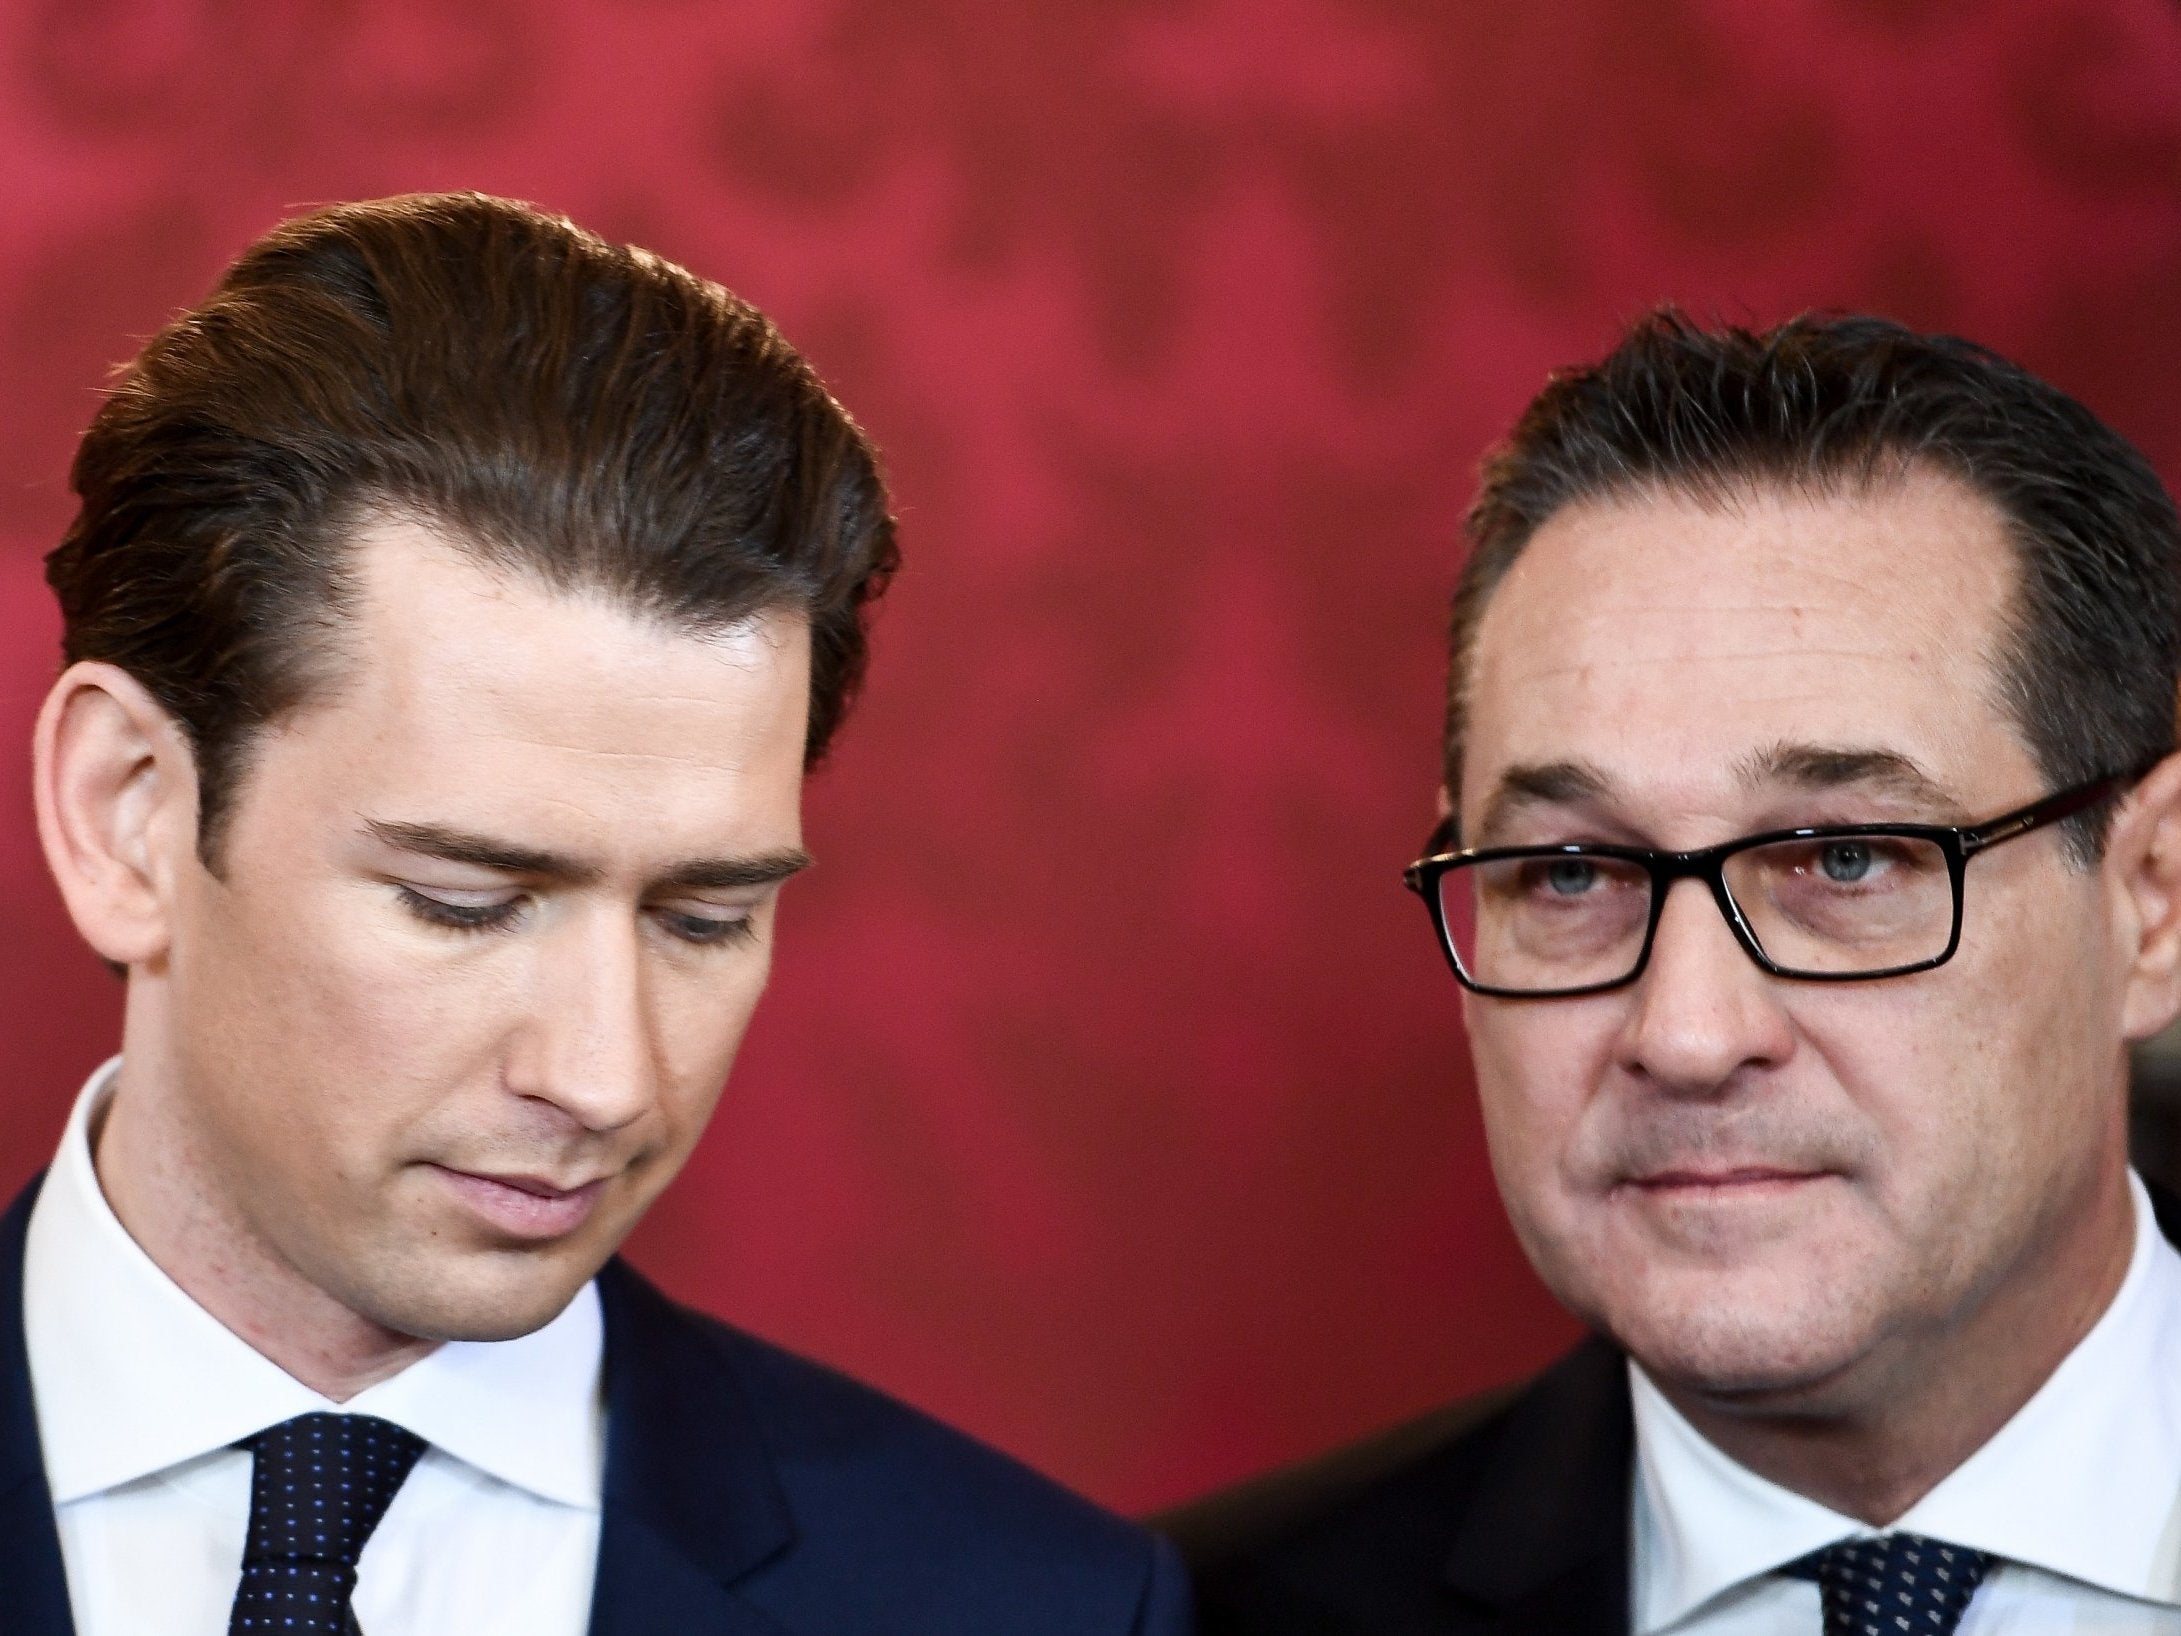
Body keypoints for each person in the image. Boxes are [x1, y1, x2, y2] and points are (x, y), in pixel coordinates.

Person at [6, 192, 1189, 1636]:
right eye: (467, 903)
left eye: (702, 920)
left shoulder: (1034, 1608)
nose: (607, 1079)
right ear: (126, 814)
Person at [1164, 310, 2181, 1635]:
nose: (1688, 1035)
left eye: (1843, 859)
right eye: (1573, 874)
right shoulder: (1197, 1616)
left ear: (2148, 902)